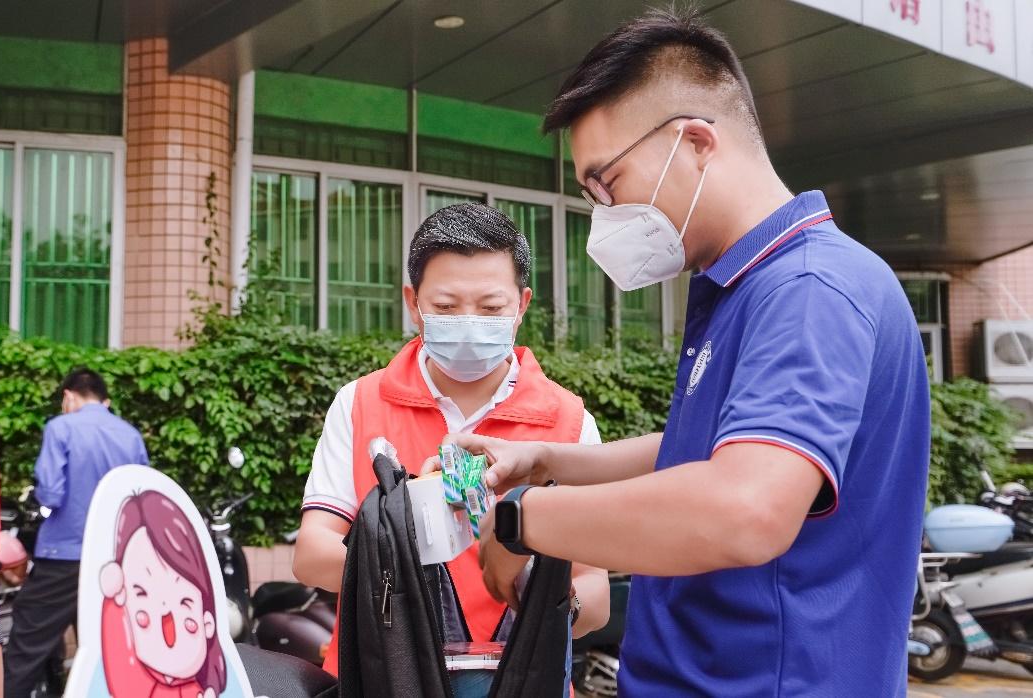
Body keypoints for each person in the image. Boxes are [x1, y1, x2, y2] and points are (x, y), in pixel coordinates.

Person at [425, 7, 931, 697]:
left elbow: (745, 507)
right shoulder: (746, 284)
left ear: (694, 141)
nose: (605, 217)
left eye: (608, 184)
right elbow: (714, 448)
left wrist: (521, 520)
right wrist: (547, 462)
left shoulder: (808, 288)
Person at [293, 203, 610, 695]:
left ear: (522, 304)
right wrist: (408, 574)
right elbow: (312, 554)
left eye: (491, 308)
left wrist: (544, 599)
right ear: (412, 302)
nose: (468, 322)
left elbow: (596, 595)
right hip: (384, 678)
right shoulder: (359, 404)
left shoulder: (567, 422)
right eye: (445, 307)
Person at [4, 369, 149, 698]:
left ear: (69, 396)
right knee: (108, 654)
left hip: (64, 555)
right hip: (116, 560)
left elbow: (51, 494)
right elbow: (140, 496)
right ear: (103, 400)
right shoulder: (130, 436)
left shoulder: (61, 427)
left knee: (27, 644)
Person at [99, 490, 224, 698]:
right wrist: (112, 606)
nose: (165, 612)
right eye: (142, 595)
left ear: (207, 622)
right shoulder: (137, 684)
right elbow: (118, 664)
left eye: (184, 602)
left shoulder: (199, 689)